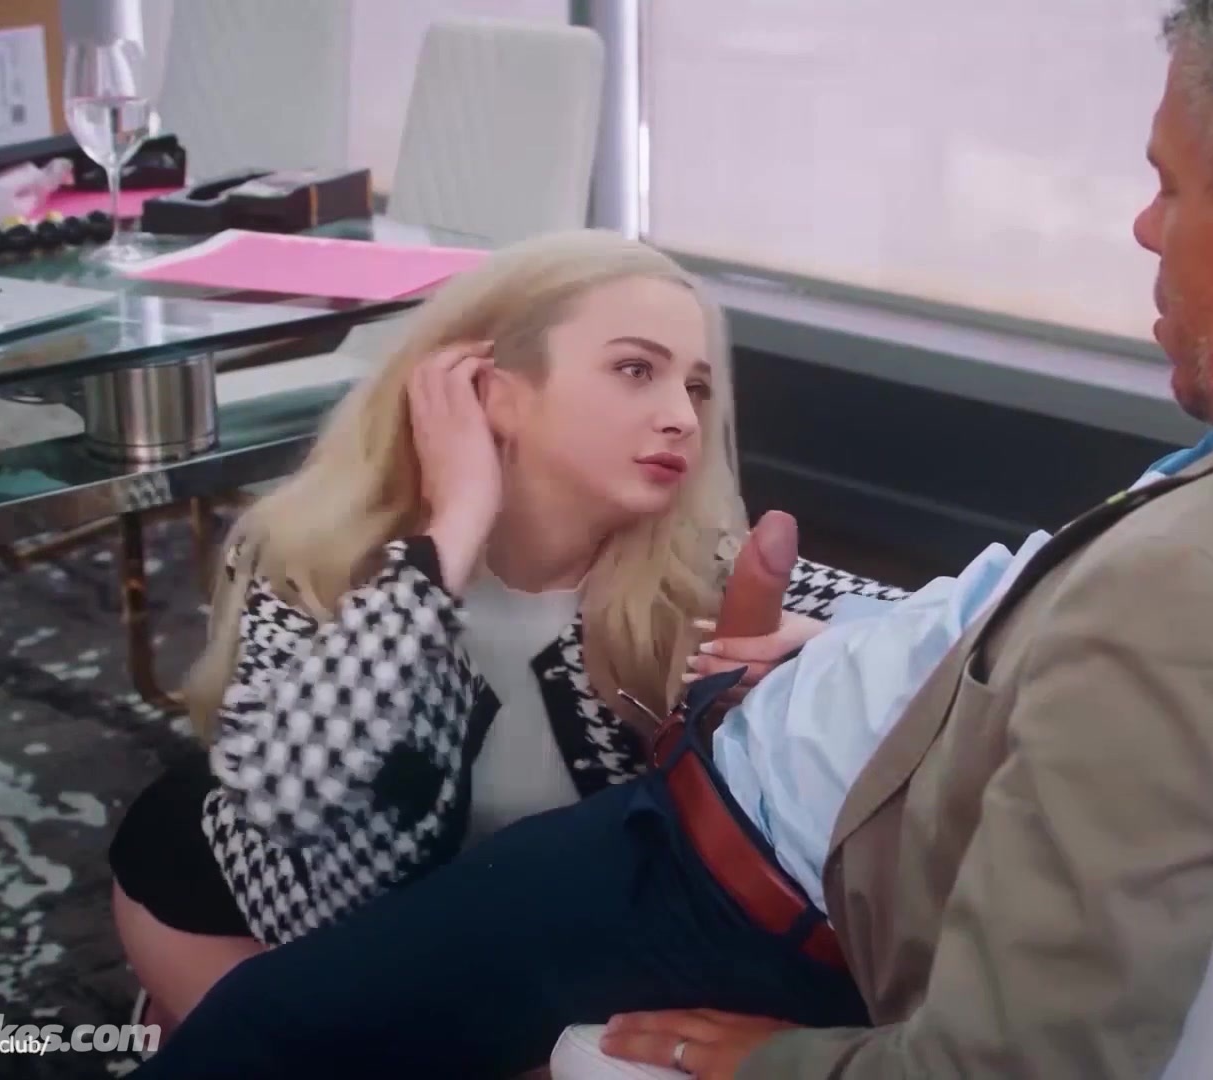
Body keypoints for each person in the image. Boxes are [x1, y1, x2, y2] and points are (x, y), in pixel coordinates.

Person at [129, 2, 1213, 1076]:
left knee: (259, 1035)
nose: (1145, 229)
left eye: (1170, 187)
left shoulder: (1190, 595)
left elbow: (1022, 1059)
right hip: (814, 744)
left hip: (724, 868)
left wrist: (795, 1067)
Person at [105, 229, 905, 1035]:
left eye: (696, 388)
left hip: (509, 955)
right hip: (261, 917)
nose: (680, 418)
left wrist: (834, 655)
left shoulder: (702, 571)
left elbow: (954, 643)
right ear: (492, 390)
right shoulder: (310, 554)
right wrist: (449, 534)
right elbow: (292, 797)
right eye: (636, 370)